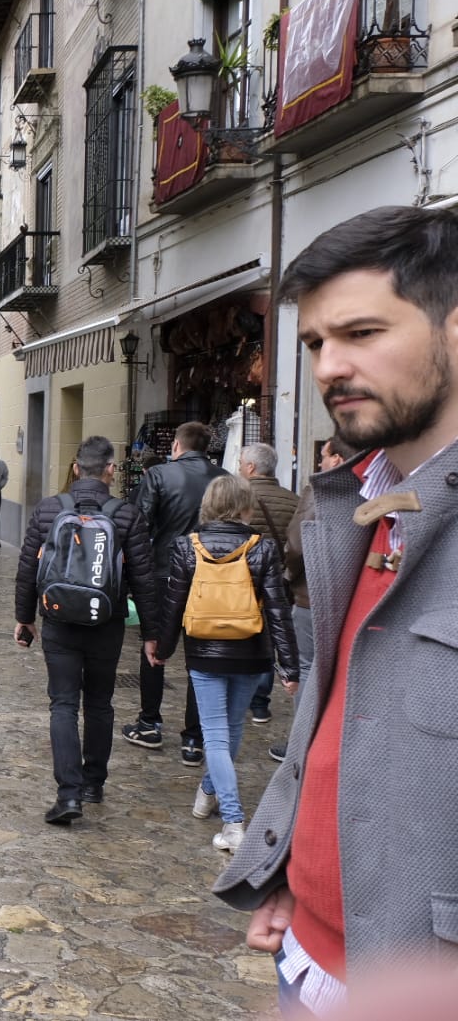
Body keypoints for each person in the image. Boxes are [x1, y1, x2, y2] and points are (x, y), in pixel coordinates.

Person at [214, 206, 458, 1011]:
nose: (328, 366)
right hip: (310, 960)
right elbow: (338, 720)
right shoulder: (354, 506)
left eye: (361, 333)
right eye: (316, 343)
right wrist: (293, 869)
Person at [14, 436, 160, 826]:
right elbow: (144, 580)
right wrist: (151, 634)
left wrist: (24, 617)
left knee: (62, 704)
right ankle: (94, 783)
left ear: (76, 468)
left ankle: (68, 794)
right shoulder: (126, 515)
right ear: (110, 470)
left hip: (58, 623)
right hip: (106, 625)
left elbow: (28, 568)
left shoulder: (49, 510)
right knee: (99, 703)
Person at [157, 476, 298, 855]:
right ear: (245, 506)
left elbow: (172, 603)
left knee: (218, 736)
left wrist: (162, 647)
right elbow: (278, 611)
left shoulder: (188, 547)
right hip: (252, 652)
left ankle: (232, 821)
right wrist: (289, 665)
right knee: (229, 732)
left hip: (204, 651)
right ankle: (210, 795)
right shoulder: (263, 548)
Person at [121, 421, 229, 767]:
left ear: (178, 446)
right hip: (212, 575)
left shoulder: (160, 476)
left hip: (165, 572)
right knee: (201, 653)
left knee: (155, 646)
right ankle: (194, 739)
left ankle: (150, 722)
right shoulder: (224, 479)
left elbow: (141, 524)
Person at [268, 435, 347, 763]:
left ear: (338, 460)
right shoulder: (372, 485)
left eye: (323, 456)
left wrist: (288, 575)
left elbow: (298, 542)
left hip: (312, 594)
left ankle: (302, 745)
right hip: (347, 595)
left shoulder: (321, 489)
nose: (319, 464)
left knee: (305, 667)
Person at [238, 442, 301, 725]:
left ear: (250, 467)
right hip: (280, 581)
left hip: (242, 580)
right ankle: (260, 703)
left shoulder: (239, 497)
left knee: (241, 635)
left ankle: (239, 694)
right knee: (269, 639)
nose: (239, 468)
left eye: (241, 463)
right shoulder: (294, 500)